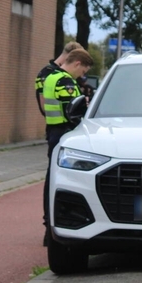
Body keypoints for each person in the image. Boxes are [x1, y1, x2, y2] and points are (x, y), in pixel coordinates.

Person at [42, 47, 94, 242]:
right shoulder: (65, 81)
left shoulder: (50, 77)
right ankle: (54, 227)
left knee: (51, 179)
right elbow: (72, 110)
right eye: (83, 72)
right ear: (78, 63)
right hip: (63, 131)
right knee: (58, 180)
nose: (82, 76)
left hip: (52, 130)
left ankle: (48, 225)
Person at [34, 41, 83, 116]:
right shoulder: (46, 73)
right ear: (70, 55)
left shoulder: (65, 74)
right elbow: (44, 105)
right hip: (58, 124)